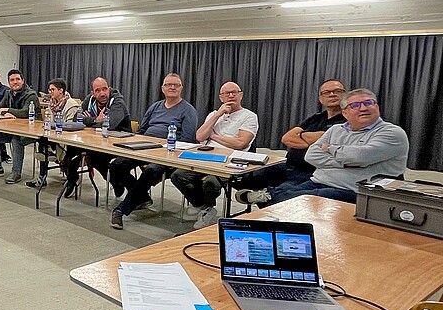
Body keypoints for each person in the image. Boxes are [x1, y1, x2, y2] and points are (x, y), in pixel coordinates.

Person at [237, 88, 408, 206]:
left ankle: (267, 196)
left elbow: (359, 157)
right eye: (355, 105)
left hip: (355, 191)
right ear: (346, 112)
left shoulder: (392, 133)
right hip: (318, 180)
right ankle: (267, 197)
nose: (363, 108)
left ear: (377, 107)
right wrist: (349, 160)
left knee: (295, 200)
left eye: (368, 103)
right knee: (281, 192)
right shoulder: (336, 129)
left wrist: (332, 149)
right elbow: (311, 155)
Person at [109, 73, 199, 229]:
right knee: (116, 165)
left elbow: (187, 140)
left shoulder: (188, 110)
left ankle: (122, 210)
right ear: (162, 88)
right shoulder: (155, 107)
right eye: (168, 85)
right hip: (144, 147)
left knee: (150, 171)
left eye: (176, 85)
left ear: (181, 88)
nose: (172, 87)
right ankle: (142, 197)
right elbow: (142, 130)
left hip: (168, 153)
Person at [234, 79, 348, 199]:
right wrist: (316, 141)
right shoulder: (315, 117)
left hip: (310, 171)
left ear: (345, 95)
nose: (332, 94)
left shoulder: (348, 121)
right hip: (287, 165)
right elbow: (287, 138)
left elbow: (332, 141)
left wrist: (302, 135)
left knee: (285, 194)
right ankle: (263, 196)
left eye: (337, 91)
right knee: (244, 177)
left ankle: (267, 197)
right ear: (320, 98)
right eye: (326, 92)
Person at [170, 81, 259, 229]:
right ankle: (204, 206)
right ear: (221, 97)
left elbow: (240, 143)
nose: (231, 96)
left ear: (241, 95)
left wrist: (214, 136)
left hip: (230, 160)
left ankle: (206, 208)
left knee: (211, 182)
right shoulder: (214, 114)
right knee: (178, 176)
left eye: (234, 92)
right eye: (226, 93)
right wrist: (218, 114)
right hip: (206, 156)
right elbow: (199, 136)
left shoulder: (249, 116)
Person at [62, 77, 131, 194]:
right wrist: (95, 120)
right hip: (95, 139)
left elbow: (110, 124)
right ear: (93, 93)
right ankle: (72, 180)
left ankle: (115, 182)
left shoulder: (118, 102)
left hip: (118, 142)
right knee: (71, 150)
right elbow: (76, 118)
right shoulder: (89, 100)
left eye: (105, 89)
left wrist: (87, 120)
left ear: (109, 89)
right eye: (98, 91)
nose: (102, 93)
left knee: (96, 156)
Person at [0, 69, 41, 184]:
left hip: (31, 132)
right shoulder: (8, 93)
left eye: (17, 79)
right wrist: (4, 113)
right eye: (12, 80)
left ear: (23, 81)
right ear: (9, 83)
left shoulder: (31, 95)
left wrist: (8, 109)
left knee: (16, 138)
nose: (15, 82)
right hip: (13, 128)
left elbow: (25, 113)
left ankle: (16, 173)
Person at [25, 77, 80, 188]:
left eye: (52, 90)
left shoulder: (71, 105)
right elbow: (48, 121)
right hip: (53, 135)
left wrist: (52, 127)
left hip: (67, 138)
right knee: (41, 139)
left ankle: (69, 175)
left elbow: (69, 126)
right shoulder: (52, 104)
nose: (50, 92)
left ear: (61, 90)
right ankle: (42, 177)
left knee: (45, 142)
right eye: (49, 90)